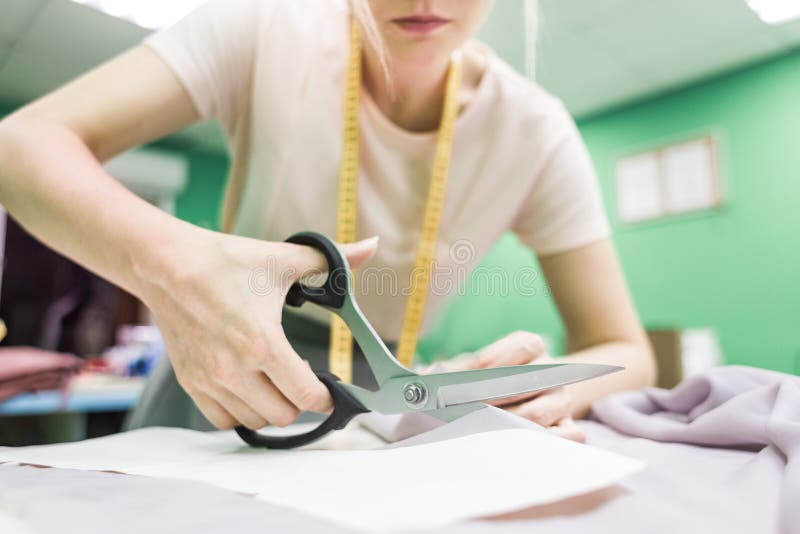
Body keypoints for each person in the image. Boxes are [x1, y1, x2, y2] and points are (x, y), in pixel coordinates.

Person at [0, 0, 655, 443]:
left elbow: (628, 352)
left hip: (390, 396)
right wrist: (176, 268)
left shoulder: (536, 131)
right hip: (223, 370)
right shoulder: (265, 27)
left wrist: (543, 393)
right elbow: (19, 145)